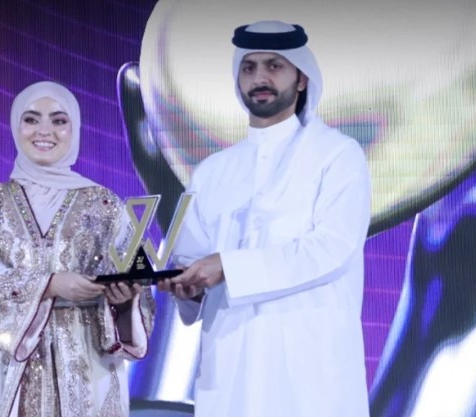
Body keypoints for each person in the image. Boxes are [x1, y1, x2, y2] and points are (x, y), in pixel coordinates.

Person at [158, 20, 371, 417]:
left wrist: (227, 267)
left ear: (301, 78)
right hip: (230, 366)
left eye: (274, 66)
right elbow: (191, 259)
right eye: (249, 67)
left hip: (309, 372)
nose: (260, 78)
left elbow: (332, 248)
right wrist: (190, 289)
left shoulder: (338, 155)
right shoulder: (212, 172)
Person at [0, 81, 155, 417]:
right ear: (15, 126)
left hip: (88, 365)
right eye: (31, 119)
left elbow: (138, 283)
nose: (44, 131)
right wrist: (51, 285)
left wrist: (123, 300)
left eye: (59, 120)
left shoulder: (106, 205)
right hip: (9, 366)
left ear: (75, 128)